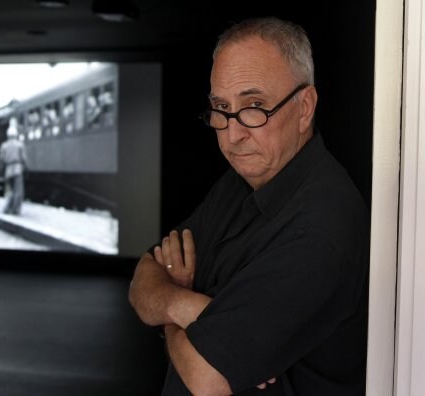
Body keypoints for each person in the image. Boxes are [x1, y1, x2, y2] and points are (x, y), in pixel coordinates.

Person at [128, 17, 369, 396]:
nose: (233, 134)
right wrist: (189, 307)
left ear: (304, 108)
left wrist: (173, 314)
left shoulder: (318, 231)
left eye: (254, 106)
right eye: (220, 108)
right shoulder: (243, 178)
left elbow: (206, 378)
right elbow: (142, 281)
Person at [0, 117, 28, 215]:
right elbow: (24, 158)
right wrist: (26, 168)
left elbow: (1, 159)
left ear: (8, 135)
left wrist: (2, 170)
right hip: (17, 169)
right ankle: (16, 210)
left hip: (8, 170)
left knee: (9, 191)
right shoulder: (20, 145)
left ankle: (7, 208)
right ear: (15, 135)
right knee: (18, 191)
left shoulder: (4, 146)